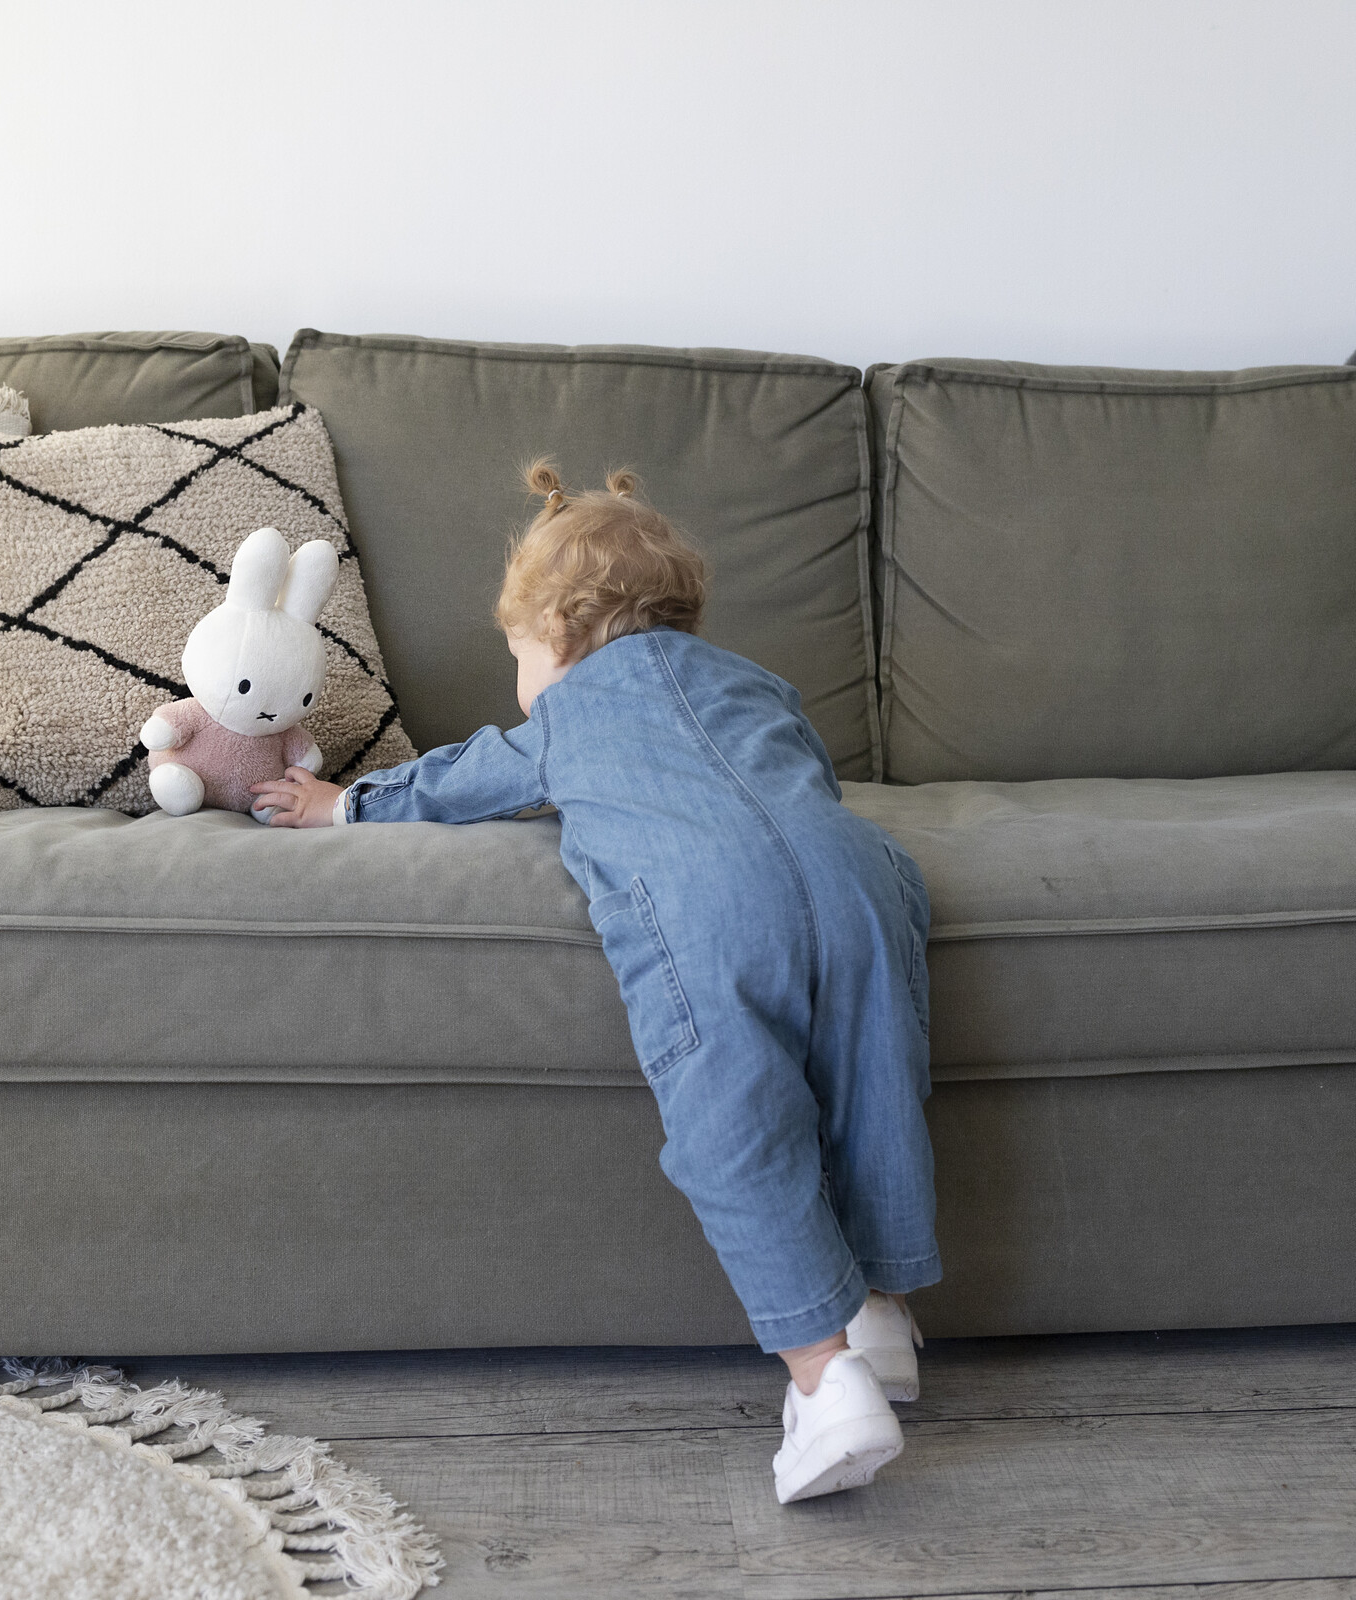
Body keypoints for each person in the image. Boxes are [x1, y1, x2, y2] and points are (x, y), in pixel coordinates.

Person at [250, 461, 940, 1502]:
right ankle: (883, 1314)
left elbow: (468, 775)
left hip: (711, 903)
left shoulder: (567, 715)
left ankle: (825, 1379)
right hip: (859, 878)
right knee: (873, 1080)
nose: (521, 678)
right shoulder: (759, 685)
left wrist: (344, 804)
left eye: (518, 654)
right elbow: (795, 777)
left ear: (560, 639)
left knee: (737, 1123)